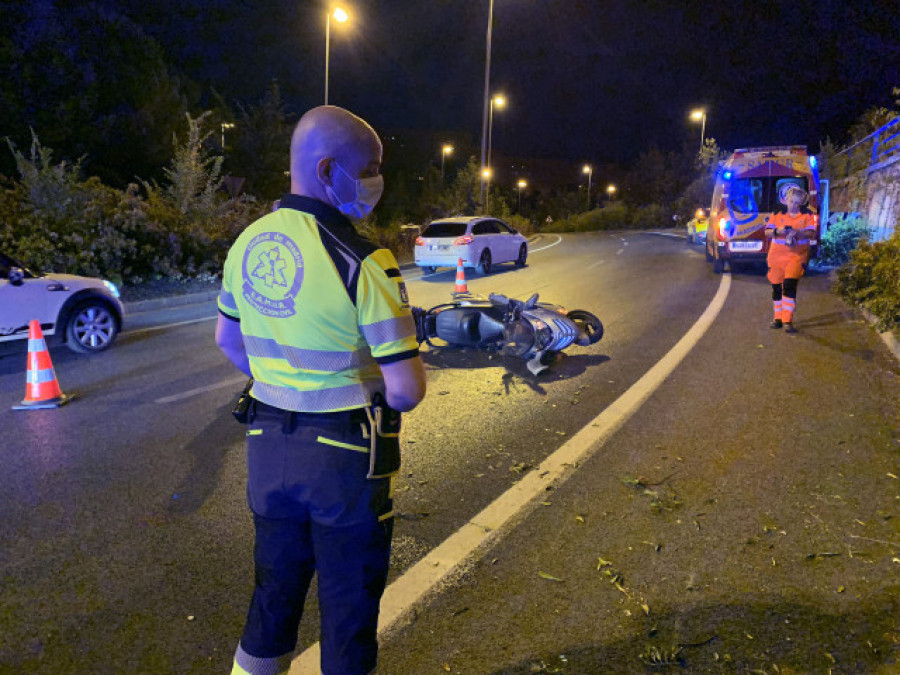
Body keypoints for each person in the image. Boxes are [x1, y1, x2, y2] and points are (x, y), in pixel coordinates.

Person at [215, 105, 427, 675]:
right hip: (343, 463)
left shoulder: (247, 246)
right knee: (347, 616)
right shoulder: (364, 261)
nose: (376, 182)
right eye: (371, 169)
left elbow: (229, 343)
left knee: (272, 599)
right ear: (329, 170)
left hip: (266, 449)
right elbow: (405, 390)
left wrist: (285, 380)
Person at [764, 183, 817, 334]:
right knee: (776, 288)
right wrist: (779, 231)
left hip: (796, 256)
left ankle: (788, 320)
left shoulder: (807, 215)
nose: (793, 205)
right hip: (776, 257)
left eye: (797, 203)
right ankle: (777, 319)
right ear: (786, 200)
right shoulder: (777, 214)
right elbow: (767, 232)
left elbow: (811, 234)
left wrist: (797, 233)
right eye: (791, 201)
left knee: (789, 285)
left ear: (801, 203)